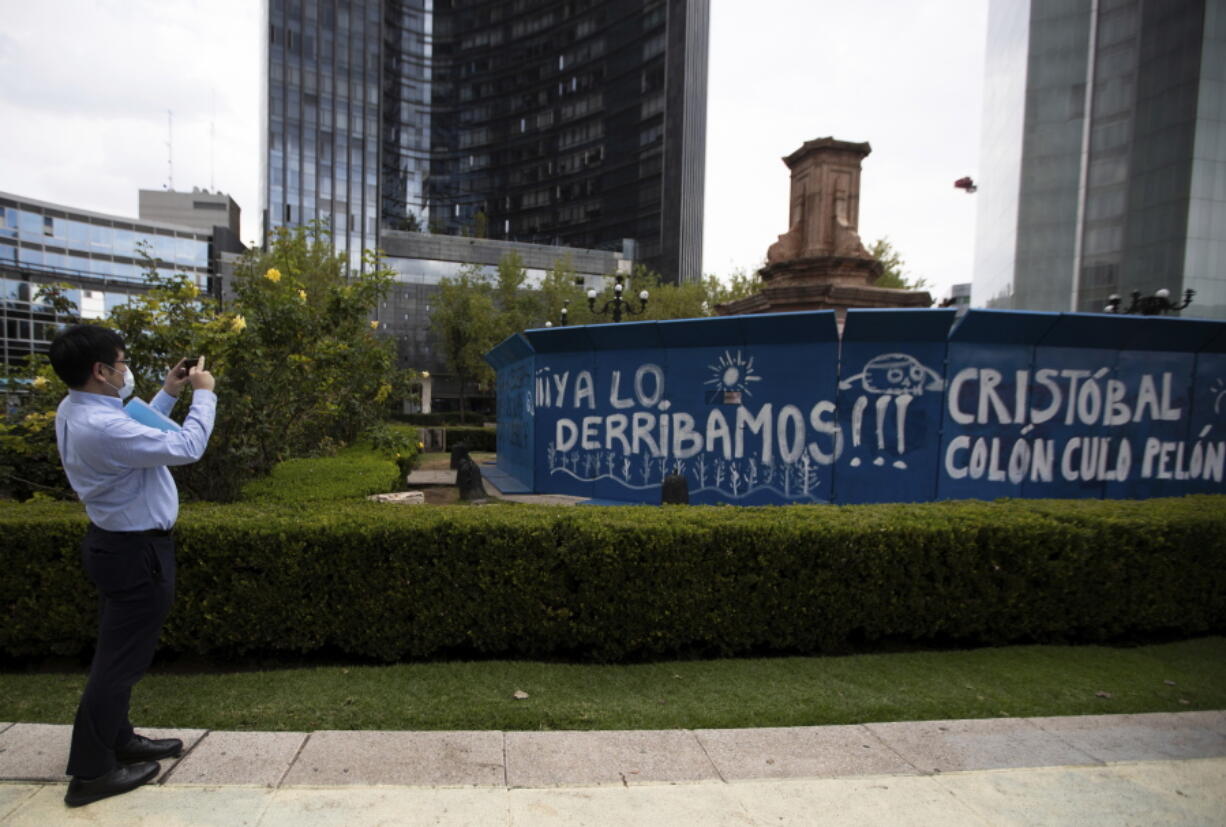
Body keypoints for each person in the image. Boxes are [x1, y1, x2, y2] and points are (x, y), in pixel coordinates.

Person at [48, 324, 216, 808]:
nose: (126, 370)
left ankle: (119, 739)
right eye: (121, 363)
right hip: (135, 552)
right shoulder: (100, 425)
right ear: (100, 371)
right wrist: (203, 396)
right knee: (118, 665)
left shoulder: (81, 408)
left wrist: (167, 392)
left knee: (120, 656)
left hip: (119, 546)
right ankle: (92, 771)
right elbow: (186, 447)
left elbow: (136, 434)